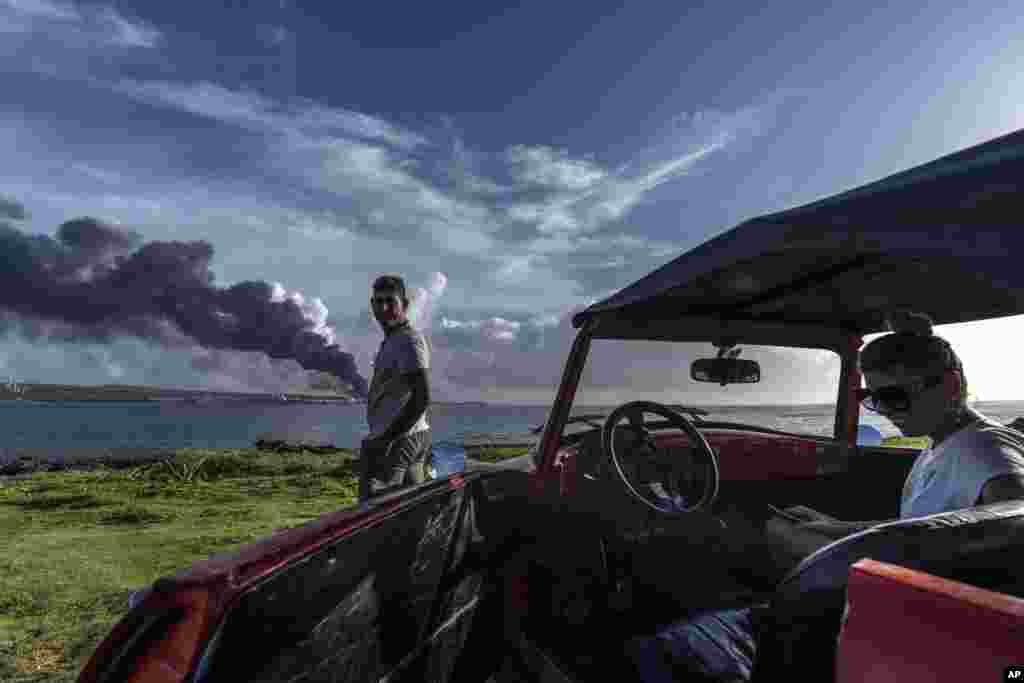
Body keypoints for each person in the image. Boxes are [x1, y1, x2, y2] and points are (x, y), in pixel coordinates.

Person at [625, 310, 1024, 681]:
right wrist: (837, 529)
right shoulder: (944, 443)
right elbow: (927, 529)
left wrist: (819, 544)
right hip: (887, 606)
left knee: (658, 654)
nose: (882, 410)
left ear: (950, 385)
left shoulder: (984, 451)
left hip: (909, 625)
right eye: (873, 398)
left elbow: (1008, 529)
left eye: (895, 397)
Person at [358, 274, 432, 503]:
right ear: (372, 305)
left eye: (391, 301)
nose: (384, 307)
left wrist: (385, 440)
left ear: (405, 305)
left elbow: (422, 397)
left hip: (397, 441)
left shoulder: (408, 341)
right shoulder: (393, 340)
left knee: (371, 511)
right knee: (414, 510)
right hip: (411, 437)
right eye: (378, 301)